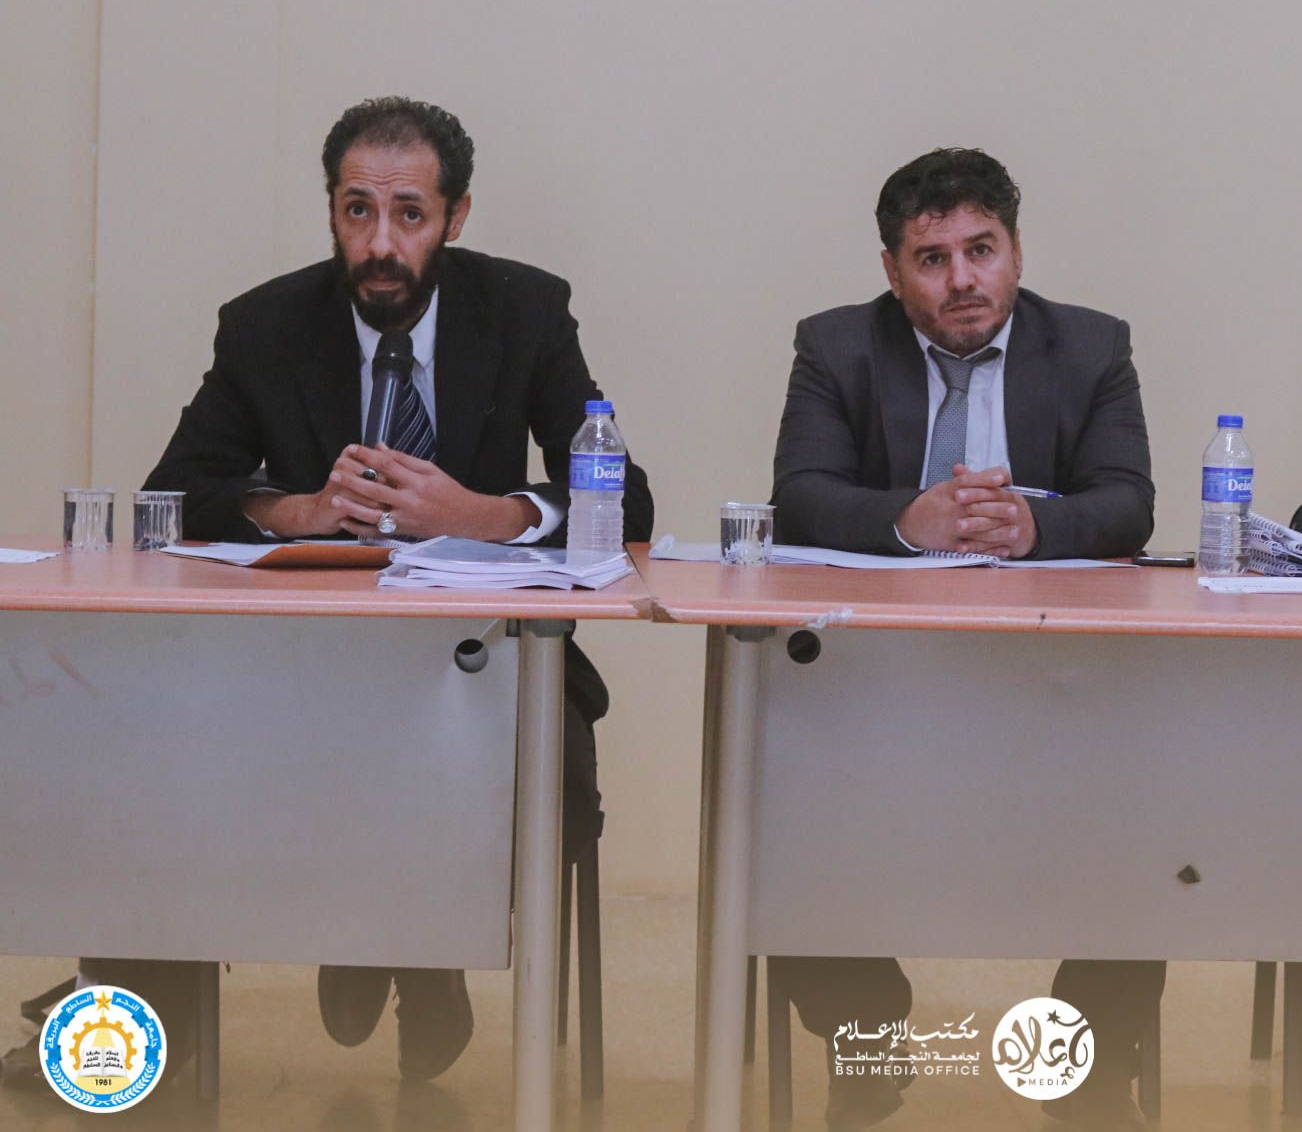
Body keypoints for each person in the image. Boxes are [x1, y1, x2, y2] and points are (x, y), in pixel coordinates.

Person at [2, 97, 652, 1092]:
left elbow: (626, 497)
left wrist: (482, 512)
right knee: (147, 727)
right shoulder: (267, 323)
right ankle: (165, 1019)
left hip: (485, 666)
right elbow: (173, 495)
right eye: (357, 211)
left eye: (408, 213)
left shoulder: (522, 310)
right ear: (332, 211)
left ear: (455, 216)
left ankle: (410, 949)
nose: (380, 243)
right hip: (298, 666)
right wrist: (298, 509)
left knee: (497, 745)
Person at [770, 148, 1157, 1130]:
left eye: (981, 250)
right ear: (893, 271)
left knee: (1152, 808)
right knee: (779, 793)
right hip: (879, 683)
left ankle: (1090, 1063)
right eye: (932, 259)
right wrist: (909, 520)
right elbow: (801, 495)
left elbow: (1128, 502)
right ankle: (866, 1035)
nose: (963, 280)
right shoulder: (837, 346)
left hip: (1057, 679)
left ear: (1016, 250)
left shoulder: (1092, 346)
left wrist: (1034, 527)